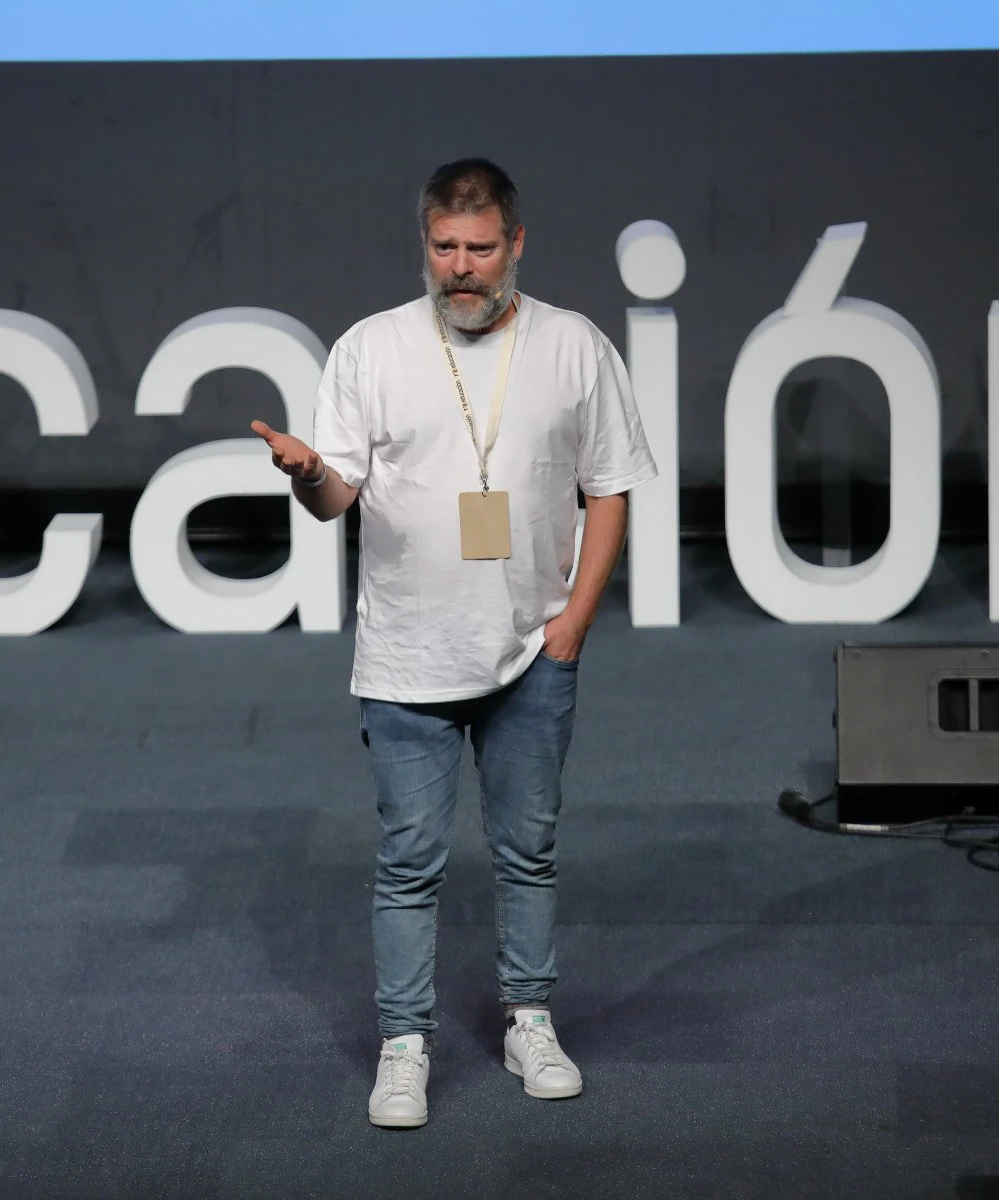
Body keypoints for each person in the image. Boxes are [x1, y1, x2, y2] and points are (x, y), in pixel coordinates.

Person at [250, 158, 656, 1129]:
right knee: (410, 858)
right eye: (444, 248)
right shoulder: (370, 349)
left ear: (517, 244)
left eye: (480, 249)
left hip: (533, 651)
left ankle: (529, 1016)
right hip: (407, 657)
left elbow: (611, 490)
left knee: (528, 850)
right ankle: (404, 1043)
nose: (461, 268)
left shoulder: (575, 347)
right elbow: (335, 497)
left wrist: (573, 625)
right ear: (424, 245)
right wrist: (308, 475)